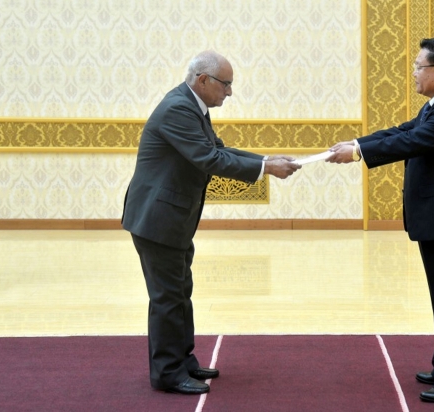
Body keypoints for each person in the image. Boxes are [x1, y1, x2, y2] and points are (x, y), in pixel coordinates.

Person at [121, 50, 300, 395]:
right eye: (226, 84)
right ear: (203, 80)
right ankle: (168, 373)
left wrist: (266, 159)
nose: (230, 92)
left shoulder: (192, 106)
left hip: (171, 219)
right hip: (157, 220)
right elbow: (209, 158)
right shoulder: (178, 108)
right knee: (167, 299)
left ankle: (182, 361)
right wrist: (266, 170)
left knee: (180, 293)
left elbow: (219, 148)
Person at [327, 38, 434, 403]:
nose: (413, 73)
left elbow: (411, 142)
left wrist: (357, 155)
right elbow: (402, 131)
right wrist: (355, 143)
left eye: (418, 66)